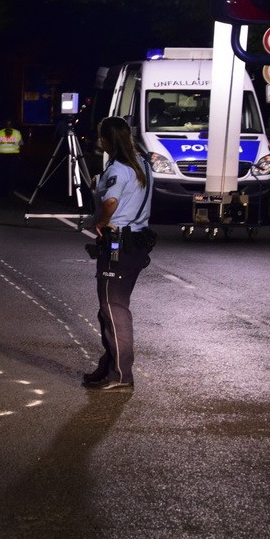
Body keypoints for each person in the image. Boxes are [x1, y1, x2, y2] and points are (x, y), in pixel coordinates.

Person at [81, 116, 154, 393]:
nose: (101, 141)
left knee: (114, 309)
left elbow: (111, 201)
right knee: (109, 311)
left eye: (102, 136)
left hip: (119, 244)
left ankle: (121, 375)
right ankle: (109, 365)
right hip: (136, 242)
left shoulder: (119, 168)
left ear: (108, 140)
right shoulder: (142, 164)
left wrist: (99, 222)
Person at [0, 119, 22, 195]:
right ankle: (10, 190)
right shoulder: (17, 133)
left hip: (1, 156)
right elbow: (21, 143)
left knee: (0, 173)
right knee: (11, 174)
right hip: (13, 156)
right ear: (12, 125)